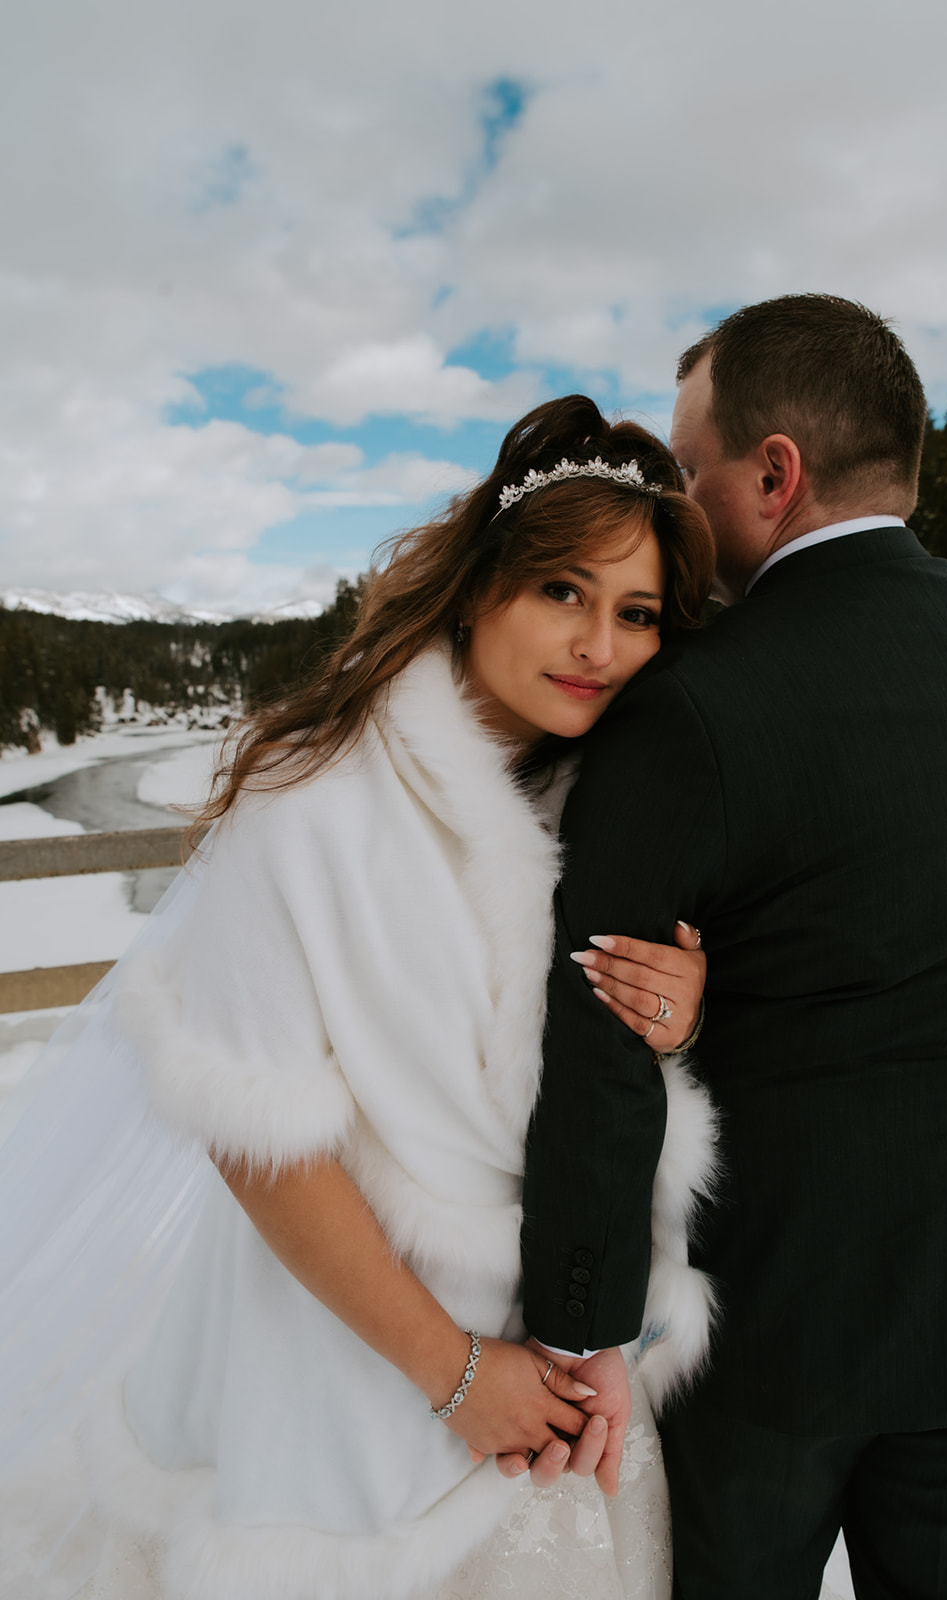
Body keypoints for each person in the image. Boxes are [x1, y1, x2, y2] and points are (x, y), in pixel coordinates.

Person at [0, 395, 719, 1600]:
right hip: (346, 1366)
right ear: (482, 585)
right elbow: (256, 1141)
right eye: (564, 592)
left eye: (636, 612)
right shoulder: (309, 800)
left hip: (563, 1363)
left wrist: (680, 1016)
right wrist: (453, 1373)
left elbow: (602, 1088)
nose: (599, 642)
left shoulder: (614, 803)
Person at [521, 296, 947, 1598]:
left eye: (694, 465)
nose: (680, 497)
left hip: (771, 1331)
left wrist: (582, 1328)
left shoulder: (692, 706)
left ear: (774, 472)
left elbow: (598, 1025)